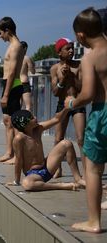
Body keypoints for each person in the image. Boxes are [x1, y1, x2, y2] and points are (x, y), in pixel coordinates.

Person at [64, 7, 107, 233]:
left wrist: (72, 102)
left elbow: (88, 94)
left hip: (102, 113)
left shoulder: (90, 58)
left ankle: (94, 222)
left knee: (93, 168)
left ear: (80, 36)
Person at [7, 109, 85, 191]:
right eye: (32, 117)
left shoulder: (38, 129)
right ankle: (62, 186)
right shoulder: (19, 139)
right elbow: (19, 160)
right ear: (25, 124)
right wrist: (16, 180)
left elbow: (56, 119)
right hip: (33, 174)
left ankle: (78, 179)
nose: (35, 117)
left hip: (47, 167)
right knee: (27, 184)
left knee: (66, 144)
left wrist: (67, 108)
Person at [50, 37, 85, 178]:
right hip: (62, 104)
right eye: (67, 48)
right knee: (58, 139)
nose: (71, 50)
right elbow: (55, 92)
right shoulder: (54, 69)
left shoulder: (79, 65)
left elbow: (82, 88)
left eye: (72, 48)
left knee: (81, 139)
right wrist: (63, 79)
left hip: (77, 103)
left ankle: (87, 171)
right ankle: (57, 169)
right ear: (60, 52)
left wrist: (71, 76)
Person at [0, 17, 25, 164]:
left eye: (1, 33)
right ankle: (9, 152)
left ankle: (18, 155)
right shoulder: (12, 45)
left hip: (13, 84)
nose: (0, 36)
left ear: (8, 30)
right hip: (9, 83)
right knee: (7, 120)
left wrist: (6, 94)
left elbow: (12, 72)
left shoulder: (16, 46)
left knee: (15, 121)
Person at [20, 41, 35, 111]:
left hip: (16, 82)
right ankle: (27, 122)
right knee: (28, 106)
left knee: (18, 106)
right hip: (24, 83)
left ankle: (16, 121)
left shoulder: (15, 58)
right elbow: (33, 72)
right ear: (25, 48)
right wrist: (32, 64)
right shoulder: (26, 58)